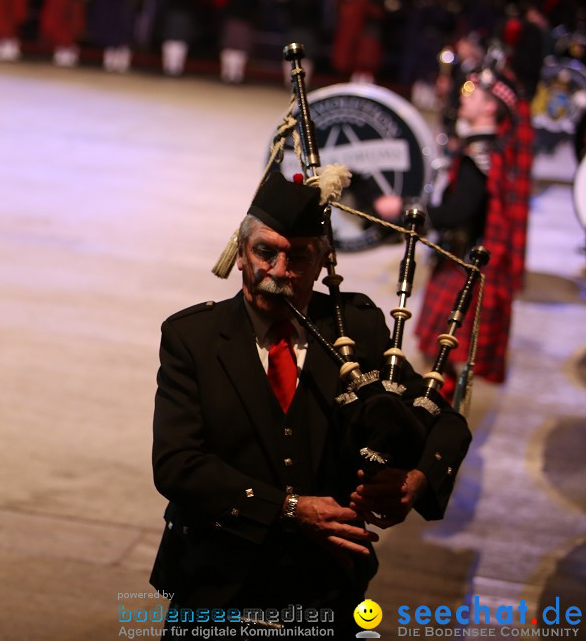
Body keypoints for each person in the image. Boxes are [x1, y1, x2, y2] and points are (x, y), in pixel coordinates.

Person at [150, 173, 472, 636]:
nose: (280, 271)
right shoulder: (193, 339)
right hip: (214, 588)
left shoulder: (355, 332)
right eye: (265, 252)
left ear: (322, 262)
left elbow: (442, 419)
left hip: (324, 594)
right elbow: (177, 465)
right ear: (240, 255)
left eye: (298, 256)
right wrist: (290, 509)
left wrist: (417, 479)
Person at [416, 68, 533, 387]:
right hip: (461, 262)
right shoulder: (484, 149)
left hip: (462, 264)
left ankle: (437, 417)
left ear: (490, 107)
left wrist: (418, 213)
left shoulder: (480, 157)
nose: (464, 95)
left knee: (440, 356)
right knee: (440, 355)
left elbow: (456, 213)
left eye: (473, 93)